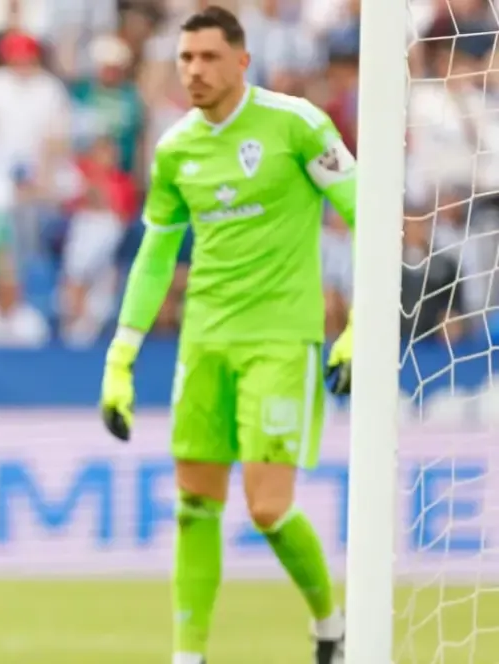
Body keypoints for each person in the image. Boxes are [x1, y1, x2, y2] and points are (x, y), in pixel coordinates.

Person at [96, 7, 356, 664]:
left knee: (267, 508)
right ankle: (189, 656)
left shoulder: (296, 125)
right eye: (186, 58)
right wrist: (121, 358)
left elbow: (367, 215)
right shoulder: (175, 148)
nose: (195, 70)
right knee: (193, 505)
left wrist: (359, 328)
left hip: (280, 340)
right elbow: (155, 256)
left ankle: (330, 623)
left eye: (209, 57)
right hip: (204, 342)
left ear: (243, 61)